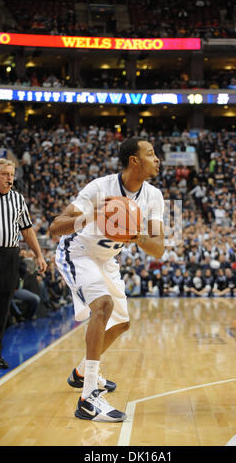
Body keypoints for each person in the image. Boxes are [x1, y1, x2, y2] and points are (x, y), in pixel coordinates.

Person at [50, 137, 164, 422]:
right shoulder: (99, 187)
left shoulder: (156, 196)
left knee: (121, 324)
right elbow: (55, 227)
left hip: (107, 260)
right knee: (102, 306)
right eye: (151, 154)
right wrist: (91, 215)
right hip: (78, 251)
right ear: (134, 161)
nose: (158, 158)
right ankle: (88, 399)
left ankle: (81, 373)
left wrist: (135, 233)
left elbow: (160, 249)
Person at [0, 159, 47, 369]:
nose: (10, 178)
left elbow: (26, 230)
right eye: (6, 174)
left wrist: (39, 255)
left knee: (1, 307)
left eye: (12, 174)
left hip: (9, 256)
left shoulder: (18, 199)